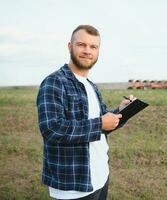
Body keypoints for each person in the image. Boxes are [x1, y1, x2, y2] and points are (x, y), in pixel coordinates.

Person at [37, 25, 133, 200]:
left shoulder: (91, 85)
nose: (87, 51)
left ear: (98, 51)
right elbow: (52, 129)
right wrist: (100, 123)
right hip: (73, 186)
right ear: (70, 46)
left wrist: (122, 111)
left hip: (101, 175)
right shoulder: (54, 82)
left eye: (93, 47)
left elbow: (103, 125)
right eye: (82, 44)